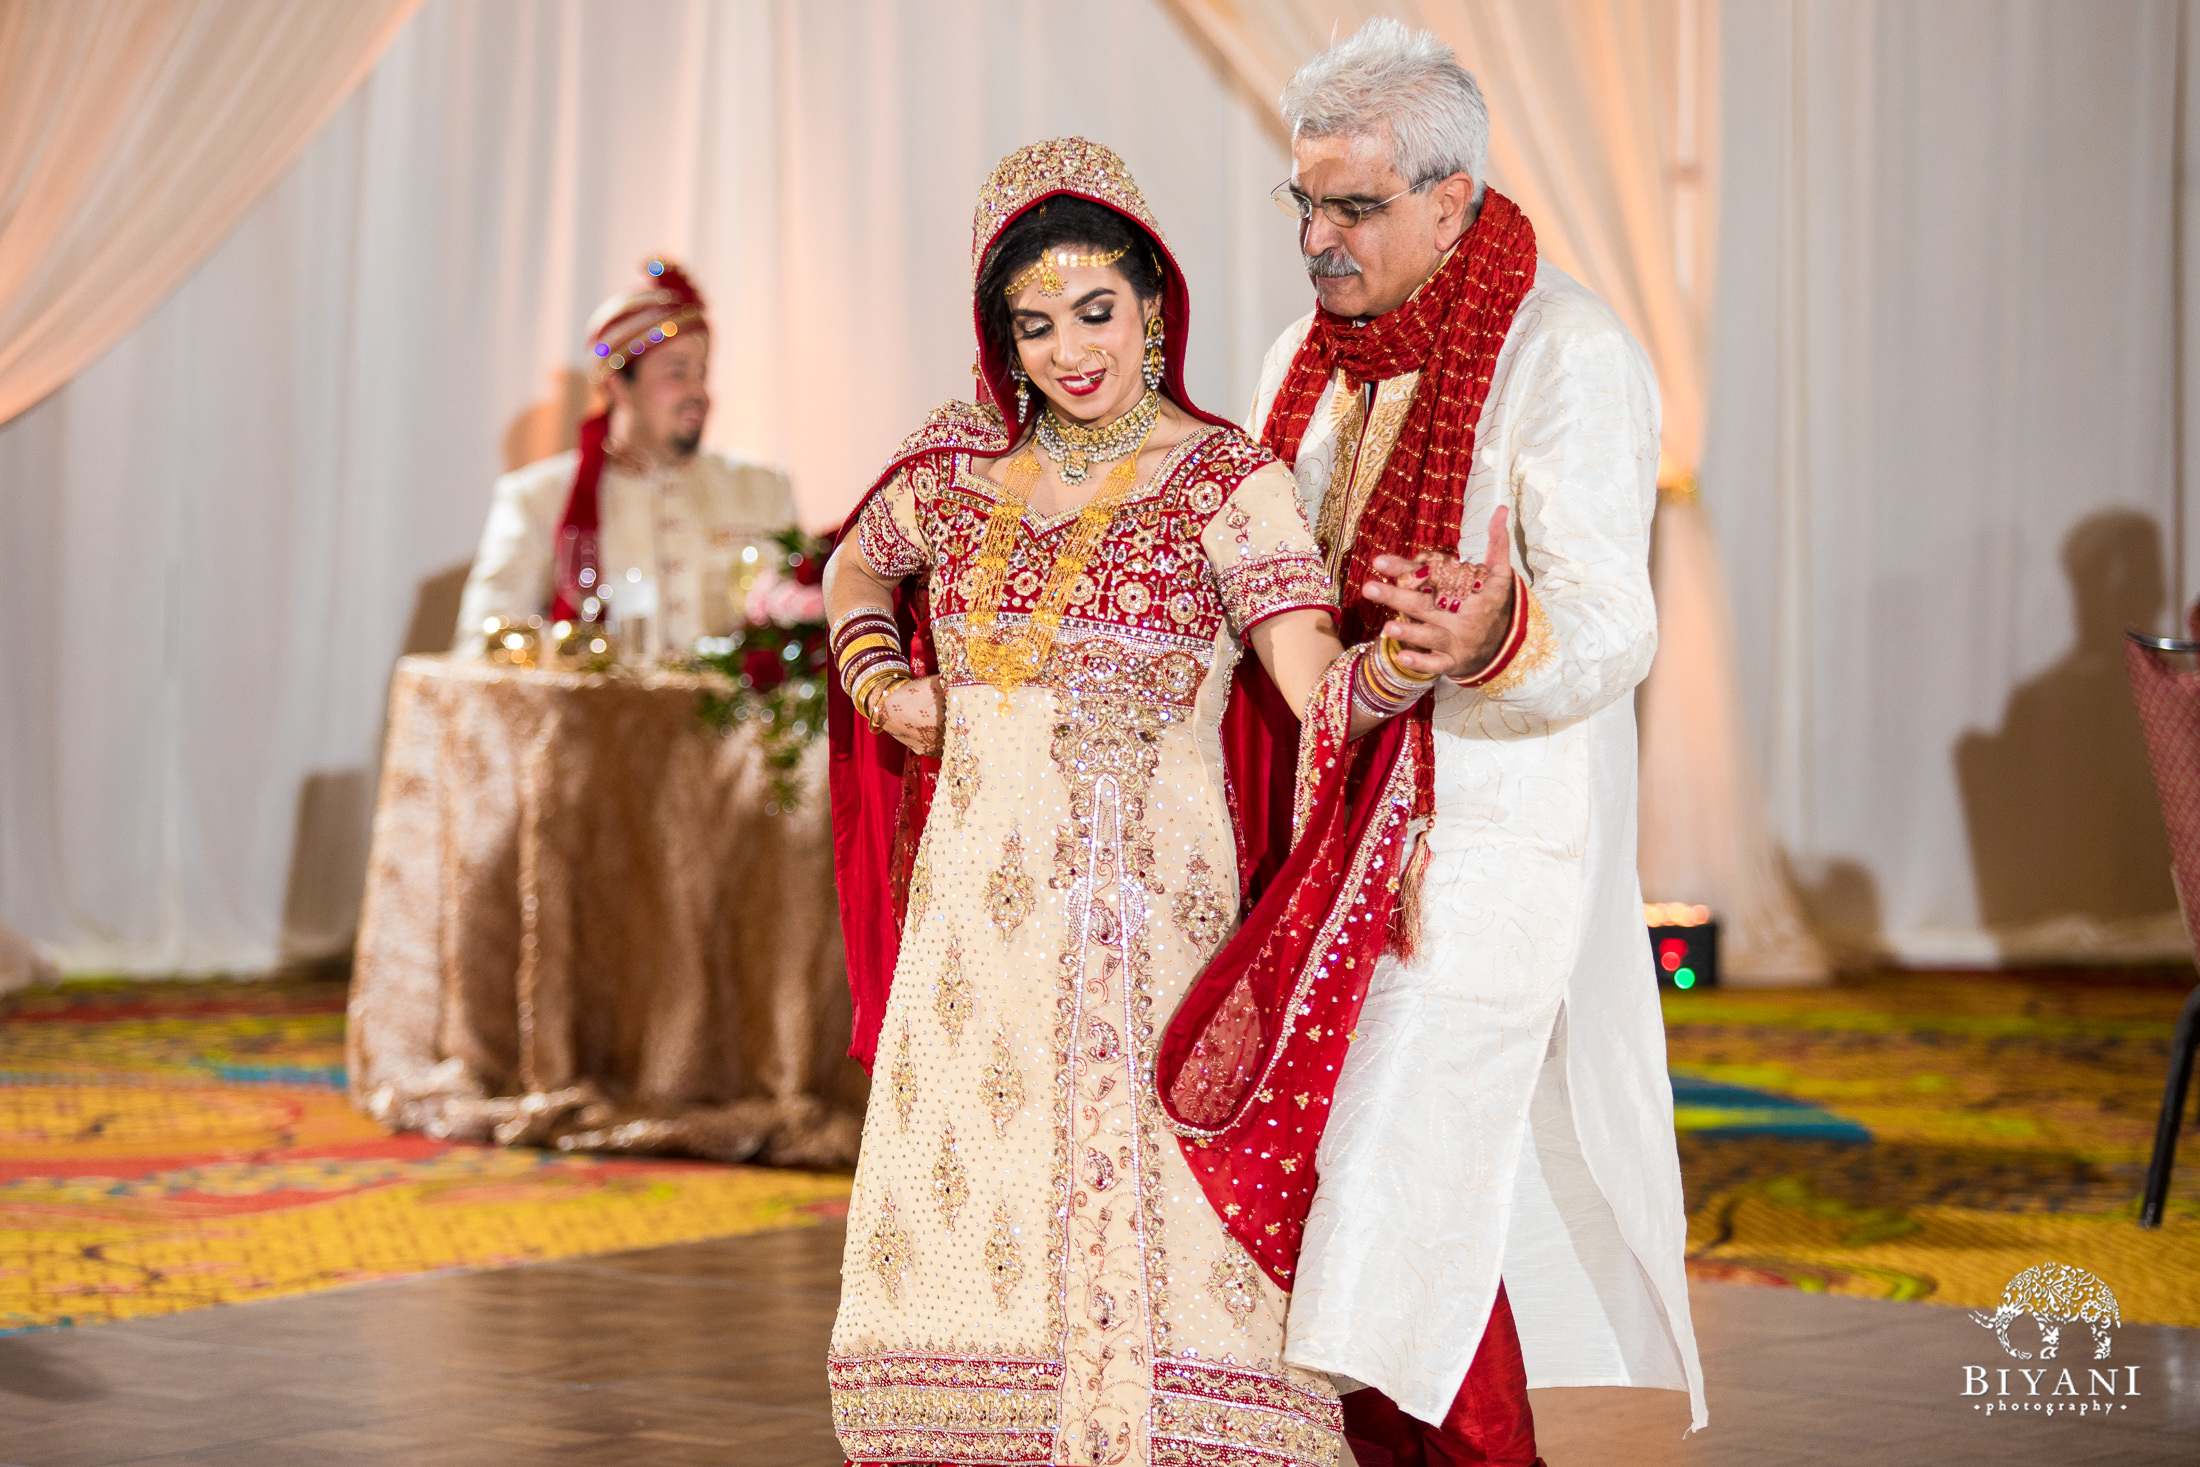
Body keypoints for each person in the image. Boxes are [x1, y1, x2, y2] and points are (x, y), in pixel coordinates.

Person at [823, 138, 1442, 1467]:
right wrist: (881, 680)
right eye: (1035, 325)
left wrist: (1406, 658)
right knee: (976, 1194)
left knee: (1159, 1210)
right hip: (974, 948)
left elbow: (1316, 686)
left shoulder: (1229, 481)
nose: (1072, 351)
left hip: (1148, 933)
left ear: (1153, 306)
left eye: (1096, 311)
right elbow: (850, 572)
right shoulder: (954, 466)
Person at [1221, 18, 1707, 1465]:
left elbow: (1616, 621)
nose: (1316, 235)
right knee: (1361, 1191)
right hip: (1315, 832)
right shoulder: (1296, 366)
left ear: (1450, 194)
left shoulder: (1566, 352)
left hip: (1483, 844)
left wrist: (1498, 628)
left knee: (1392, 1187)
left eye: (1352, 205)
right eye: (1301, 199)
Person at [452, 258, 794, 654]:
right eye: (676, 372)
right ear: (617, 384)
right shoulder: (537, 498)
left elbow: (804, 636)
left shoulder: (763, 490)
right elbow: (482, 646)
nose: (698, 392)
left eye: (702, 373)